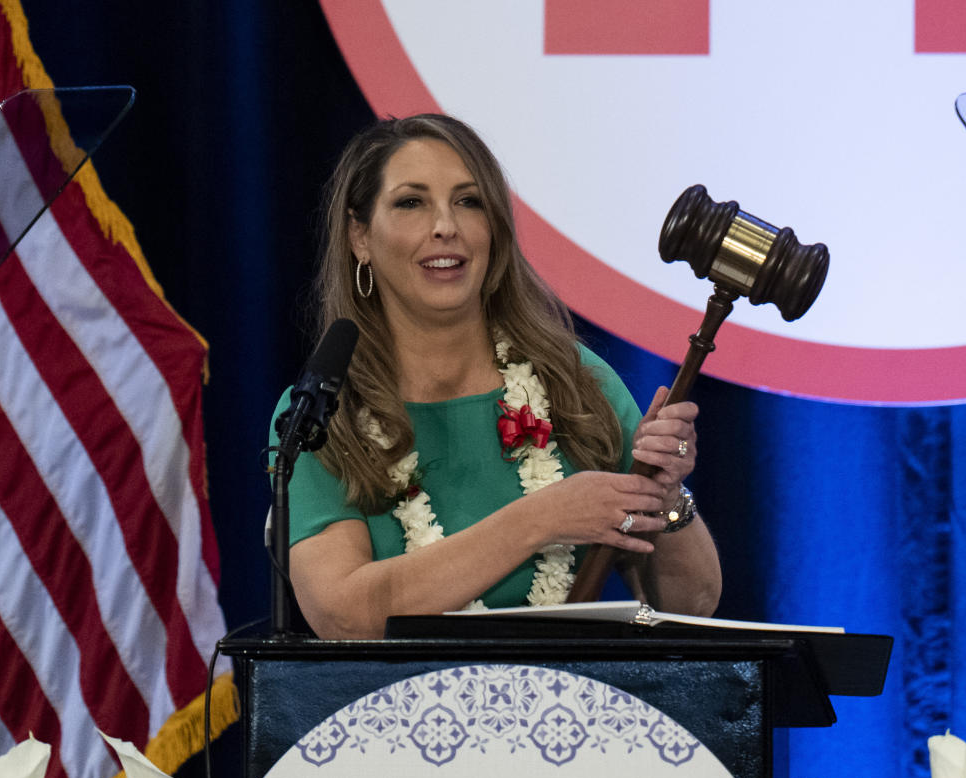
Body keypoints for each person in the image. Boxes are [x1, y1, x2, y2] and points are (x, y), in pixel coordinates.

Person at [270, 114, 720, 639]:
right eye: (411, 202)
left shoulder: (574, 382)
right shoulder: (319, 413)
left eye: (469, 201)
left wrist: (666, 503)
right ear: (359, 235)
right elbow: (343, 615)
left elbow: (694, 605)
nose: (446, 226)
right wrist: (541, 520)